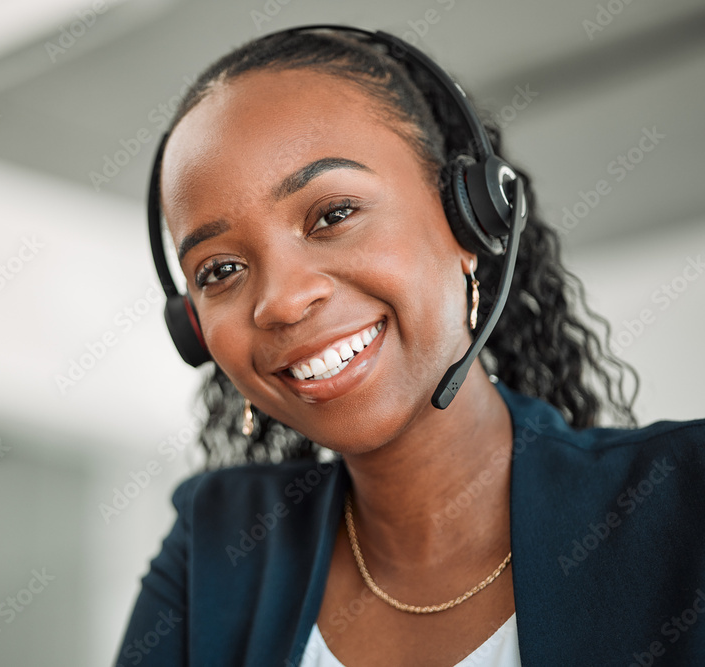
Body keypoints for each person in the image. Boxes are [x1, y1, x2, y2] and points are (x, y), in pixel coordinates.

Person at [114, 25, 705, 666]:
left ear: (469, 222)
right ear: (194, 331)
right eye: (219, 271)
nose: (281, 301)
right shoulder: (215, 549)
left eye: (333, 214)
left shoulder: (688, 499)